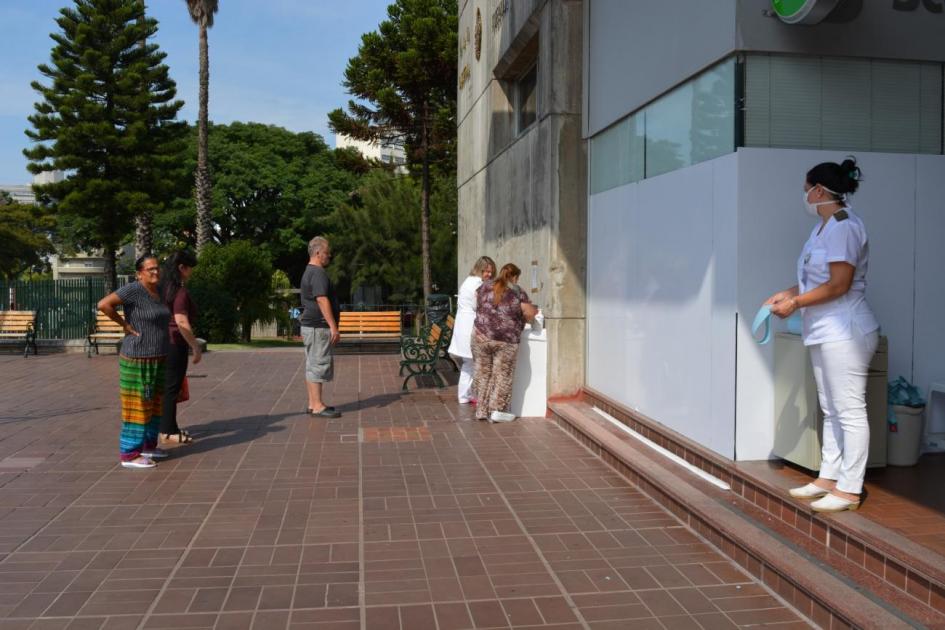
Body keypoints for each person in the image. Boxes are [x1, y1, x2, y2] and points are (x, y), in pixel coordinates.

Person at [765, 157, 879, 513]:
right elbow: (817, 279)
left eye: (806, 189)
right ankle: (828, 477)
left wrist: (796, 303)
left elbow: (839, 285)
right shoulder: (824, 227)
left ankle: (849, 488)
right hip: (824, 329)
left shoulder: (844, 226)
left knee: (849, 409)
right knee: (831, 409)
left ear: (819, 190)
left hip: (845, 330)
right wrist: (789, 293)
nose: (804, 196)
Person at [98, 255, 171, 469]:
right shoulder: (133, 290)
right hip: (137, 358)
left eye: (157, 268)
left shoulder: (159, 291)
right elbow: (104, 304)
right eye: (150, 269)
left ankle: (148, 446)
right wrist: (124, 324)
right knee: (137, 404)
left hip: (158, 357)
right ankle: (129, 455)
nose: (155, 272)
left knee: (154, 404)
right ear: (139, 273)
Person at [471, 263, 538, 422]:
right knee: (502, 376)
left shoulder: (484, 286)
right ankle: (496, 412)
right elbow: (529, 313)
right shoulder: (517, 291)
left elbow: (476, 304)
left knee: (482, 373)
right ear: (514, 276)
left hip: (480, 336)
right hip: (506, 340)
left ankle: (481, 411)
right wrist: (526, 316)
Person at [159, 250, 202, 444]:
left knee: (167, 387)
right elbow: (181, 322)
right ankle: (167, 430)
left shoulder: (161, 287)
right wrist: (195, 346)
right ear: (181, 268)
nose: (191, 272)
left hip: (161, 342)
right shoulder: (179, 292)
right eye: (190, 268)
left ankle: (169, 426)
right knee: (172, 387)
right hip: (175, 343)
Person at [300, 236, 342, 418]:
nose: (329, 256)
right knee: (319, 364)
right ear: (318, 252)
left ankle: (313, 403)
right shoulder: (317, 273)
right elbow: (321, 299)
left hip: (311, 327)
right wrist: (333, 326)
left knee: (312, 365)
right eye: (327, 252)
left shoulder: (309, 271)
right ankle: (317, 406)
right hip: (318, 327)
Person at [448, 256, 496, 404]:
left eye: (490, 272)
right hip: (469, 326)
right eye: (486, 271)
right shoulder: (477, 284)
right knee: (470, 363)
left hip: (463, 324)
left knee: (469, 363)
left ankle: (466, 395)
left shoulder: (468, 281)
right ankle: (464, 396)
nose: (488, 274)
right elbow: (478, 306)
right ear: (479, 269)